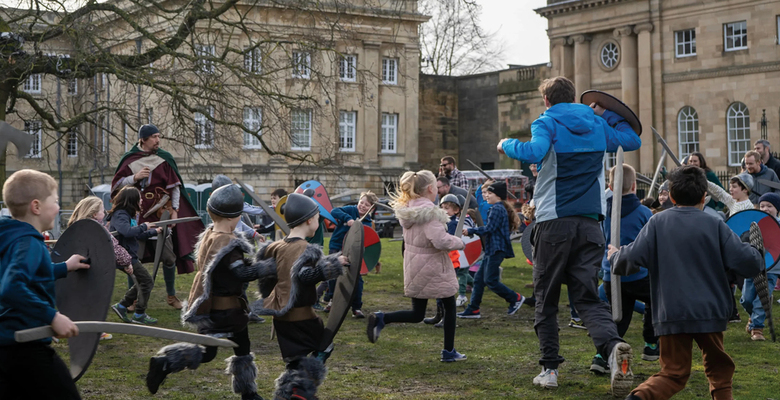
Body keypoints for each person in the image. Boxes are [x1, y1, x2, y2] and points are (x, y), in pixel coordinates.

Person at [497, 76, 641, 393]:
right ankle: (613, 348)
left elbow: (534, 152)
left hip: (553, 223)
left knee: (546, 298)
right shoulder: (596, 124)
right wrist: (607, 113)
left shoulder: (546, 122)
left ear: (546, 100)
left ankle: (549, 370)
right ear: (573, 97)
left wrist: (506, 143)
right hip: (590, 224)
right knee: (587, 298)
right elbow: (632, 139)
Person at [609, 165, 763, 400]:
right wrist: (755, 249)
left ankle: (638, 398)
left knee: (673, 373)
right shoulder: (715, 225)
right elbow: (747, 262)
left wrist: (614, 257)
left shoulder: (657, 223)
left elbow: (629, 259)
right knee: (719, 371)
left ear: (671, 196)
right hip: (709, 310)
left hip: (672, 311)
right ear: (704, 197)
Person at [146, 185, 274, 400]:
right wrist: (268, 266)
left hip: (209, 306)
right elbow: (241, 272)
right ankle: (248, 393)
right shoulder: (228, 242)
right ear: (233, 217)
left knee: (216, 350)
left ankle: (166, 362)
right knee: (237, 349)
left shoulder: (210, 234)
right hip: (228, 310)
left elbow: (228, 269)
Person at [0, 169, 90, 400]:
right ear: (36, 206)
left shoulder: (10, 236)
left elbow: (32, 273)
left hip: (7, 342)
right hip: (25, 348)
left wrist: (64, 267)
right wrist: (52, 316)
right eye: (56, 201)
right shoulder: (28, 243)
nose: (58, 207)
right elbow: (11, 287)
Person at [253, 193, 349, 400]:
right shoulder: (305, 248)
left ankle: (285, 395)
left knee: (294, 361)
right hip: (302, 318)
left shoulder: (277, 246)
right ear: (309, 220)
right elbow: (304, 275)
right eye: (317, 218)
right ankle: (301, 391)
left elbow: (273, 274)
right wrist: (332, 265)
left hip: (281, 318)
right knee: (325, 346)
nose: (319, 221)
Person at [366, 170, 467, 362]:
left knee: (417, 313)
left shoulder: (409, 210)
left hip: (414, 264)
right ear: (430, 188)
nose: (437, 190)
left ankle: (382, 318)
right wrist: (459, 242)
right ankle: (449, 351)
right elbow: (439, 240)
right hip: (434, 265)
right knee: (449, 305)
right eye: (436, 187)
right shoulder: (430, 213)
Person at [111, 124, 204, 310]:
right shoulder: (129, 159)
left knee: (169, 257)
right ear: (143, 139)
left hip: (161, 216)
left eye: (158, 136)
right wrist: (135, 177)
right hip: (137, 218)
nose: (157, 140)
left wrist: (175, 209)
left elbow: (174, 187)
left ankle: (171, 296)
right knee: (133, 258)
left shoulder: (164, 159)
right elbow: (117, 186)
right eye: (154, 137)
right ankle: (133, 299)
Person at [590, 164, 658, 375]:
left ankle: (601, 356)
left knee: (618, 316)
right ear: (635, 186)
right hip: (638, 273)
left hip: (612, 274)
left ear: (610, 186)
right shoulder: (644, 212)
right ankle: (651, 343)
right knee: (656, 299)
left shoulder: (603, 211)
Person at [457, 181, 530, 319]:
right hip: (492, 248)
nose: (487, 195)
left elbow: (490, 229)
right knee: (479, 280)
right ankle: (473, 309)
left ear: (498, 196)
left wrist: (471, 230)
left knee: (490, 280)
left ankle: (515, 298)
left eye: (490, 193)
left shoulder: (497, 208)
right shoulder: (497, 207)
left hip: (496, 249)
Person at [68, 196, 137, 339]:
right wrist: (127, 262)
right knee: (95, 303)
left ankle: (79, 329)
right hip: (94, 272)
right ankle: (95, 332)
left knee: (82, 302)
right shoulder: (98, 229)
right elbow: (114, 248)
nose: (104, 212)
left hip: (75, 272)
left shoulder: (74, 227)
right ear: (94, 214)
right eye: (101, 210)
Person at [107, 187, 161, 325]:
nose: (141, 200)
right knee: (147, 281)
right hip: (123, 256)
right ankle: (139, 314)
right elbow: (127, 232)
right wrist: (144, 226)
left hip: (129, 255)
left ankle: (122, 306)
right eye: (139, 198)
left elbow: (136, 234)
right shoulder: (120, 214)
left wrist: (155, 231)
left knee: (143, 281)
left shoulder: (128, 215)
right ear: (132, 200)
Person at [323, 191, 379, 318]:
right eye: (361, 202)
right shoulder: (350, 210)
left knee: (356, 279)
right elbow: (334, 211)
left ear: (371, 209)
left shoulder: (367, 222)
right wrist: (347, 219)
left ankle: (356, 307)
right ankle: (332, 299)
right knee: (333, 273)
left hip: (353, 252)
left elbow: (366, 240)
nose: (362, 206)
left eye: (367, 205)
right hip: (337, 247)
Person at [425, 194, 475, 325]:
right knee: (438, 289)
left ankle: (446, 318)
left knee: (446, 291)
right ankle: (439, 315)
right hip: (440, 260)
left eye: (447, 208)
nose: (444, 210)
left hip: (451, 262)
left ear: (456, 210)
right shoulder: (441, 223)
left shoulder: (452, 224)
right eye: (442, 207)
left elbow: (447, 242)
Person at [741, 192, 780, 341]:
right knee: (747, 299)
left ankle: (757, 329)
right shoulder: (755, 224)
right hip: (753, 267)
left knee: (760, 301)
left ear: (777, 209)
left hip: (771, 269)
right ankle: (753, 318)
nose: (765, 209)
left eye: (769, 206)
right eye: (762, 206)